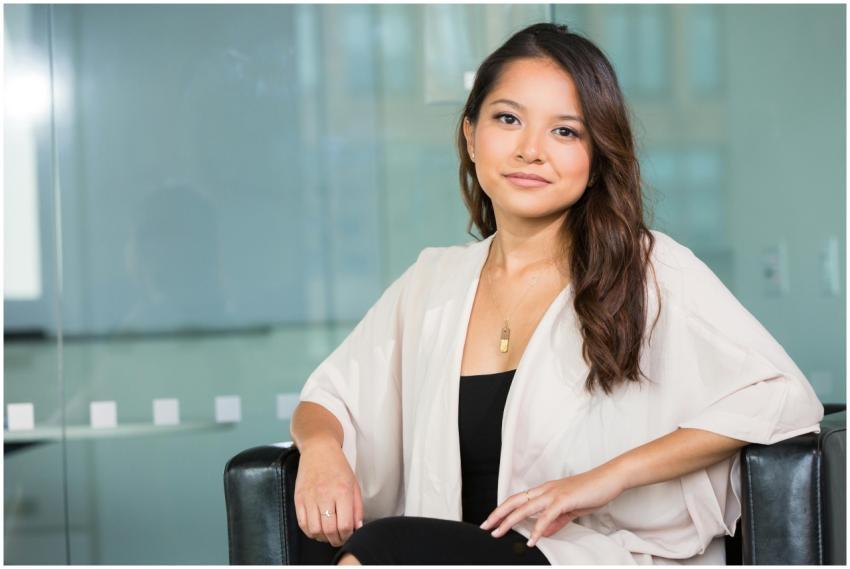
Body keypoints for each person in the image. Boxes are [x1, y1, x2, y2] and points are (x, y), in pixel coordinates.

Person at [289, 22, 824, 565]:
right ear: (471, 134)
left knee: (382, 548)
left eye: (565, 131)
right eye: (508, 119)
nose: (531, 150)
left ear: (596, 158)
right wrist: (321, 450)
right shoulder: (433, 282)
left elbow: (781, 395)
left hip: (587, 556)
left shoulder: (647, 268)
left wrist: (606, 479)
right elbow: (330, 397)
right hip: (454, 550)